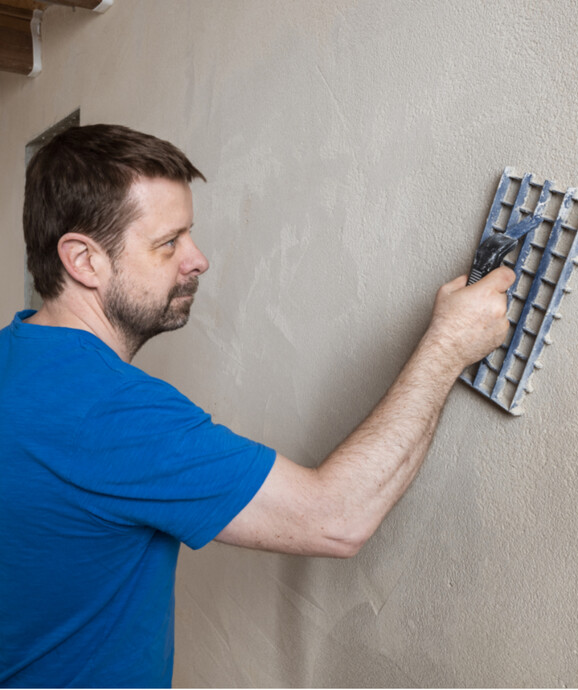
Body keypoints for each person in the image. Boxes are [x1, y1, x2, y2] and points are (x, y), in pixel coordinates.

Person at [0, 124, 514, 688]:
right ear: (84, 260)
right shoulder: (109, 414)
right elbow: (336, 518)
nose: (198, 260)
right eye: (168, 243)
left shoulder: (15, 357)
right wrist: (446, 347)